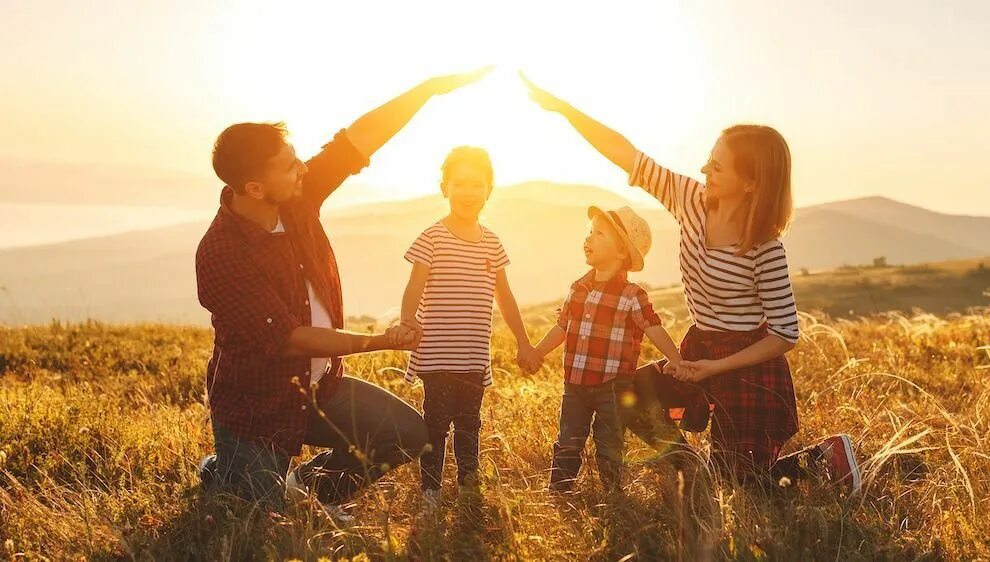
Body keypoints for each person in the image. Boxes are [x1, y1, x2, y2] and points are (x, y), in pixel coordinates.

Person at [521, 74, 862, 493]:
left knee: (743, 485)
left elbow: (785, 334)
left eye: (717, 166)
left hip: (748, 365)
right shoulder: (691, 200)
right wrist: (564, 110)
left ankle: (825, 458)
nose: (704, 170)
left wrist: (716, 368)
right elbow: (628, 156)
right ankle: (688, 469)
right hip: (699, 346)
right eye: (708, 160)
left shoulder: (765, 249)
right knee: (627, 397)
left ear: (750, 182)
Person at [195, 68, 492, 524]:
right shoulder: (221, 254)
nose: (304, 169)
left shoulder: (295, 196)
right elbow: (292, 339)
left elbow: (357, 141)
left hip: (320, 387)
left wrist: (428, 90)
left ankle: (314, 488)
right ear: (254, 187)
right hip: (257, 405)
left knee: (408, 434)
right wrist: (379, 342)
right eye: (290, 164)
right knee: (257, 522)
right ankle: (226, 470)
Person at [400, 146, 541, 516]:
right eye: (459, 183)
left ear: (489, 190)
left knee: (468, 427)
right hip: (436, 355)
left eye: (476, 184)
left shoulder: (492, 242)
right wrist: (407, 320)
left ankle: (468, 491)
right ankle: (430, 495)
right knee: (435, 428)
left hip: (473, 358)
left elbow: (505, 297)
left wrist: (525, 342)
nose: (467, 192)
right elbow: (415, 286)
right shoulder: (432, 237)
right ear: (444, 187)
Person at [530, 205, 683, 493]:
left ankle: (613, 493)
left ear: (622, 252)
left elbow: (653, 328)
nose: (588, 239)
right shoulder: (578, 288)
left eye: (599, 233)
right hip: (574, 384)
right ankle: (560, 490)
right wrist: (538, 352)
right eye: (589, 232)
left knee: (609, 441)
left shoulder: (632, 295)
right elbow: (562, 327)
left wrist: (676, 359)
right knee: (569, 439)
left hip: (613, 388)